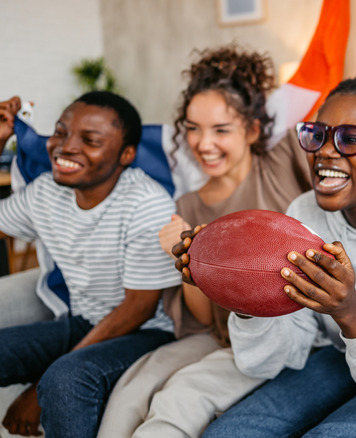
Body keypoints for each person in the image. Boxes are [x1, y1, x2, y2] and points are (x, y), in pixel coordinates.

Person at [168, 76, 356, 437]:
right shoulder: (304, 213)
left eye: (350, 139)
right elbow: (279, 355)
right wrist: (242, 293)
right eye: (317, 135)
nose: (324, 151)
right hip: (334, 356)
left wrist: (350, 311)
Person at [95, 45, 312, 438]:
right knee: (129, 394)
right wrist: (187, 261)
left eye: (221, 130)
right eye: (193, 128)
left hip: (281, 338)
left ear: (252, 130)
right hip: (220, 335)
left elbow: (353, 89)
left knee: (176, 399)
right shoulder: (187, 207)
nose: (203, 143)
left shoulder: (281, 164)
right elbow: (202, 319)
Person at [0, 92, 181, 437]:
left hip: (147, 332)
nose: (66, 147)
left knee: (64, 380)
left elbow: (139, 308)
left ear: (126, 155)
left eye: (90, 140)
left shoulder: (146, 203)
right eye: (61, 132)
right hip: (85, 321)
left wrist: (37, 390)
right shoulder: (46, 192)